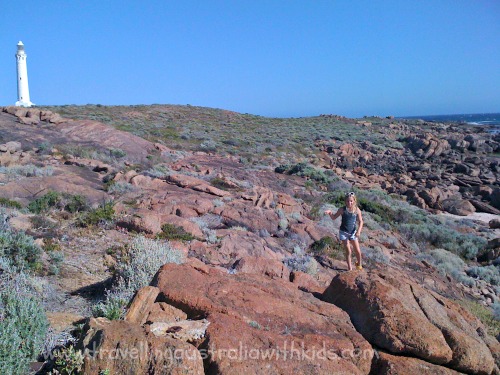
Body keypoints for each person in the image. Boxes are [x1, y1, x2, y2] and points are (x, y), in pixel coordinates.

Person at [324, 192, 364, 271]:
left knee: (358, 251)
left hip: (353, 233)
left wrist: (358, 231)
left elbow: (361, 221)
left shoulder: (357, 210)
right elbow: (334, 217)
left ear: (354, 201)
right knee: (348, 251)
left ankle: (359, 265)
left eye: (351, 201)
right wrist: (330, 212)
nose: (349, 203)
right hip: (343, 233)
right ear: (345, 201)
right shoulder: (342, 210)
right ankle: (350, 269)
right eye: (348, 201)